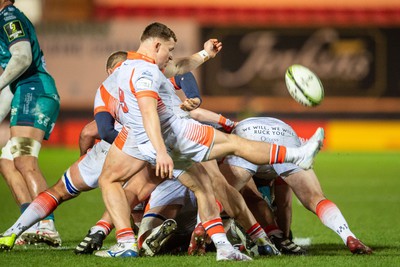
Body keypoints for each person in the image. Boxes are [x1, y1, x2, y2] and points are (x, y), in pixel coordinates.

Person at [93, 22, 323, 262]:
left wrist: (205, 54)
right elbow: (148, 110)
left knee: (112, 179)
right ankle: (295, 155)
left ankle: (130, 241)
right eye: (168, 49)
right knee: (233, 147)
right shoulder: (146, 72)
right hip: (174, 134)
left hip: (138, 138)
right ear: (156, 44)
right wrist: (161, 152)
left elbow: (178, 67)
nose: (170, 56)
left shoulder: (130, 65)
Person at [219, 117, 372, 255]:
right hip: (284, 134)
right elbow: (284, 204)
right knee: (315, 198)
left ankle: (204, 235)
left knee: (225, 195)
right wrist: (285, 238)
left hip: (246, 135)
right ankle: (348, 236)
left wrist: (276, 235)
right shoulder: (277, 177)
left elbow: (253, 199)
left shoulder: (252, 179)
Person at [0, 0, 61, 246]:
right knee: (7, 164)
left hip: (34, 92)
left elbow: (23, 57)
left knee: (24, 161)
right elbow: (10, 83)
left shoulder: (8, 17)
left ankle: (46, 225)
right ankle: (30, 224)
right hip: (26, 92)